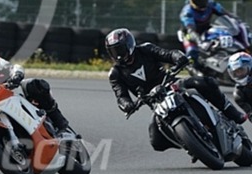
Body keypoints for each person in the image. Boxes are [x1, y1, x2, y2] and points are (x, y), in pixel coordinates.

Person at [105, 28, 247, 152]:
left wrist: (179, 58)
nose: (118, 54)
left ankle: (229, 110)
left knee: (204, 82)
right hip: (155, 102)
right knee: (156, 142)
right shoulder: (115, 73)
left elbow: (167, 54)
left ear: (129, 44)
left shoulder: (145, 49)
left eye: (120, 49)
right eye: (113, 51)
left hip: (172, 84)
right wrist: (127, 105)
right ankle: (189, 143)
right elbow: (121, 96)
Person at [179, 0, 236, 72]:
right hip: (190, 34)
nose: (202, 3)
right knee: (192, 53)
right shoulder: (187, 12)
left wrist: (238, 23)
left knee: (224, 35)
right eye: (199, 1)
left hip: (206, 29)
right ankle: (195, 70)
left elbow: (226, 14)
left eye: (204, 0)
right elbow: (191, 30)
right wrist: (200, 42)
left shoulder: (211, 4)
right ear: (192, 0)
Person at [227, 52, 252, 122]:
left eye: (241, 70)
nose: (239, 74)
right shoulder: (238, 93)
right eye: (236, 72)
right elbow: (249, 112)